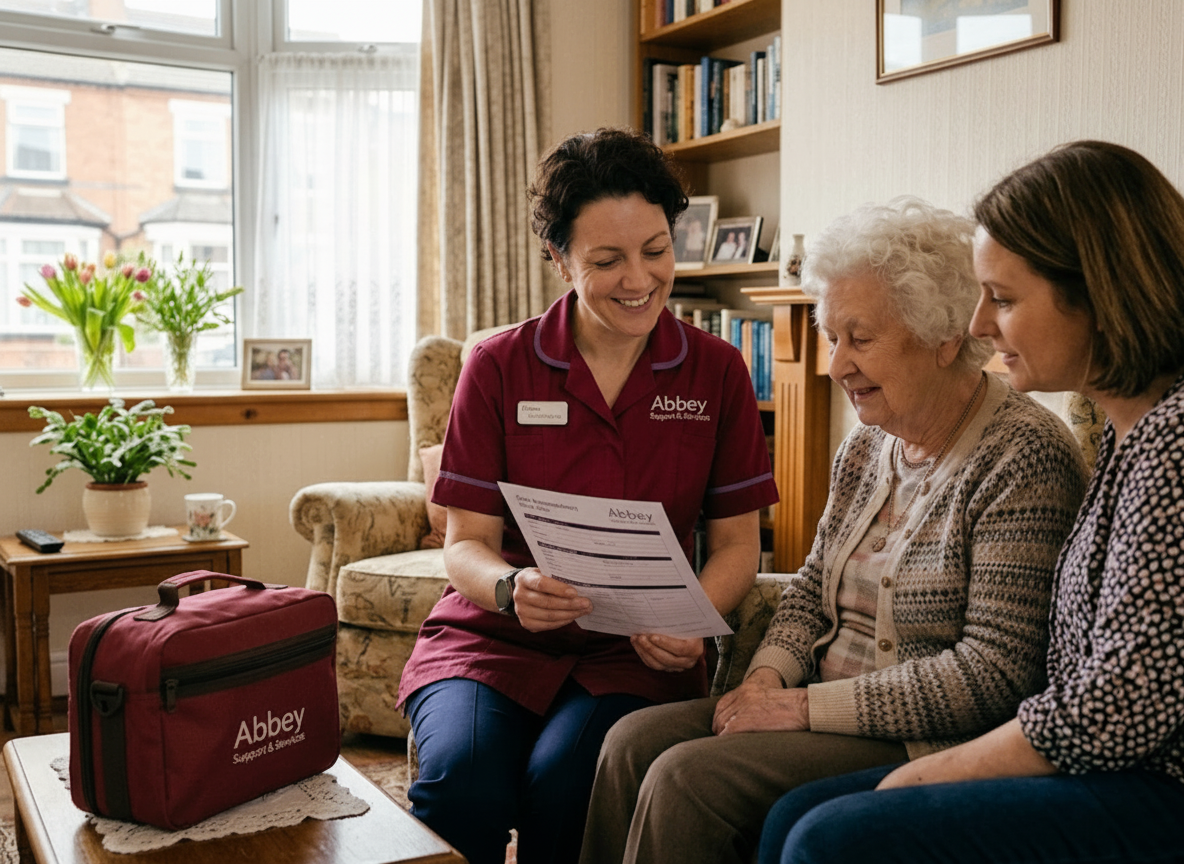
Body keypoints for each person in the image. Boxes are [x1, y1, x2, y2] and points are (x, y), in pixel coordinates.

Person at [579, 197, 1090, 864]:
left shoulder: (1023, 455)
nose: (834, 366)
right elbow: (812, 588)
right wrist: (765, 679)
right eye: (830, 337)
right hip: (814, 702)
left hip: (923, 735)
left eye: (861, 338)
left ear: (943, 336)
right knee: (629, 742)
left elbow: (993, 674)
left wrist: (799, 709)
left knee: (687, 780)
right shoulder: (866, 446)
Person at [757, 140, 1184, 864]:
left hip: (1151, 786)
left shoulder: (1169, 446)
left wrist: (928, 772)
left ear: (1099, 292)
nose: (980, 324)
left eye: (1006, 298)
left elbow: (1115, 710)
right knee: (797, 817)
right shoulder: (1126, 432)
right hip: (1102, 764)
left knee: (829, 836)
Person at [395, 127, 779, 864]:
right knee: (462, 784)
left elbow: (736, 545)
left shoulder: (718, 371)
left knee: (569, 784)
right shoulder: (498, 365)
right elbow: (464, 542)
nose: (639, 279)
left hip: (636, 655)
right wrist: (509, 588)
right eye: (606, 260)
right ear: (559, 257)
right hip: (492, 639)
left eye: (656, 250)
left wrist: (690, 620)